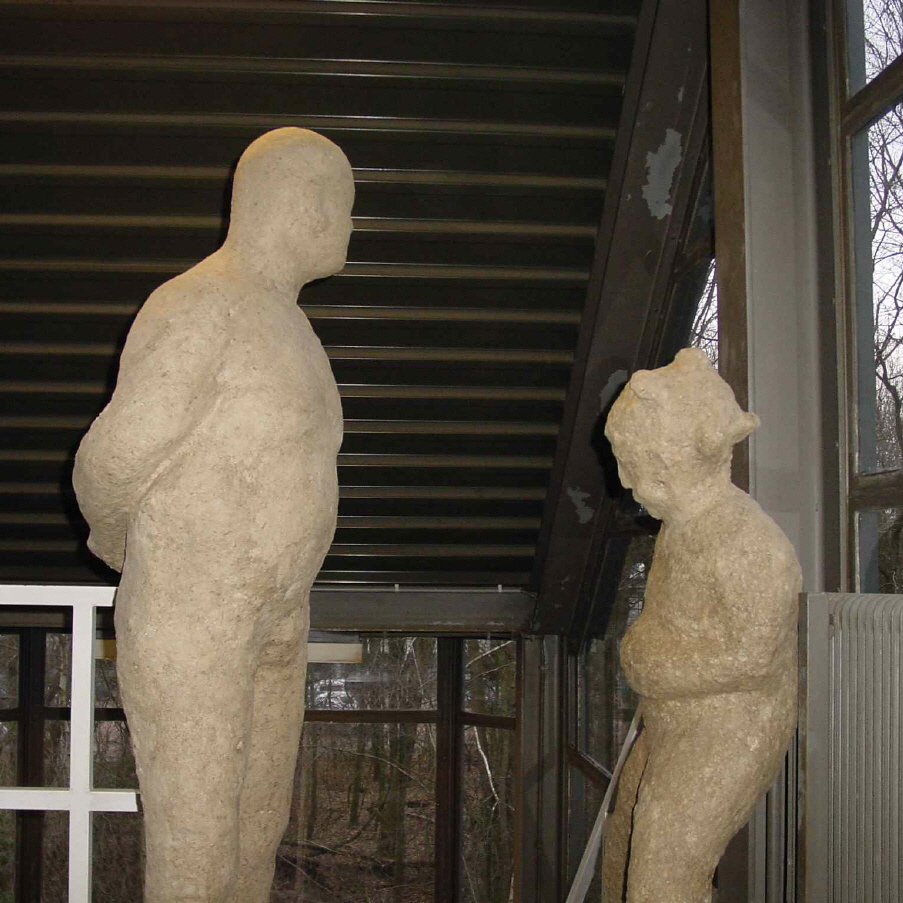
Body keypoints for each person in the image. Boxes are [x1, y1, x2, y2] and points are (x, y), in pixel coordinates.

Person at [73, 127, 353, 903]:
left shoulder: (293, 326)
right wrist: (143, 556)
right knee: (195, 851)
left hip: (279, 617)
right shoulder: (200, 303)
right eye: (342, 205)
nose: (347, 225)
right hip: (197, 613)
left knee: (257, 837)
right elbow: (111, 458)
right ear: (297, 201)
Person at [601, 348, 800, 903]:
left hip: (728, 725)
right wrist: (645, 652)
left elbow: (754, 659)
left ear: (683, 461)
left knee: (659, 873)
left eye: (638, 467)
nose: (626, 480)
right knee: (622, 855)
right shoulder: (679, 527)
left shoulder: (749, 543)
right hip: (671, 716)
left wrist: (651, 666)